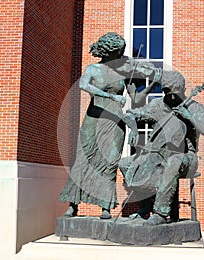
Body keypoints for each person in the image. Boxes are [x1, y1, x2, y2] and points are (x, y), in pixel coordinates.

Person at [59, 32, 161, 219]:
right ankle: (73, 204)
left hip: (115, 123)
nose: (122, 55)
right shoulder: (93, 69)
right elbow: (84, 85)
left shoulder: (123, 72)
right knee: (84, 159)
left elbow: (136, 99)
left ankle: (105, 206)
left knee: (109, 162)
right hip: (94, 120)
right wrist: (111, 96)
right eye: (119, 52)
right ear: (109, 52)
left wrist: (152, 83)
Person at [119, 70, 204, 225]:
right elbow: (130, 114)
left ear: (183, 91)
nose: (170, 97)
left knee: (174, 161)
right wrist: (134, 128)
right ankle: (145, 206)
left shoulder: (194, 107)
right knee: (124, 163)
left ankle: (161, 213)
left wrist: (189, 117)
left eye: (174, 94)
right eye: (167, 93)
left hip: (186, 156)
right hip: (158, 153)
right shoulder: (158, 105)